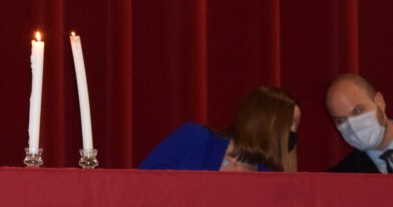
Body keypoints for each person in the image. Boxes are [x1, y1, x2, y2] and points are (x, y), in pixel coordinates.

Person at [138, 86, 300, 172]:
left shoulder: (269, 178)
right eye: (290, 123)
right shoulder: (195, 139)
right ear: (264, 121)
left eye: (296, 126)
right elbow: (143, 182)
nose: (293, 132)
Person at [325, 73, 393, 173]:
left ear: (380, 102)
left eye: (358, 111)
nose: (353, 126)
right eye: (341, 120)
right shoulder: (341, 177)